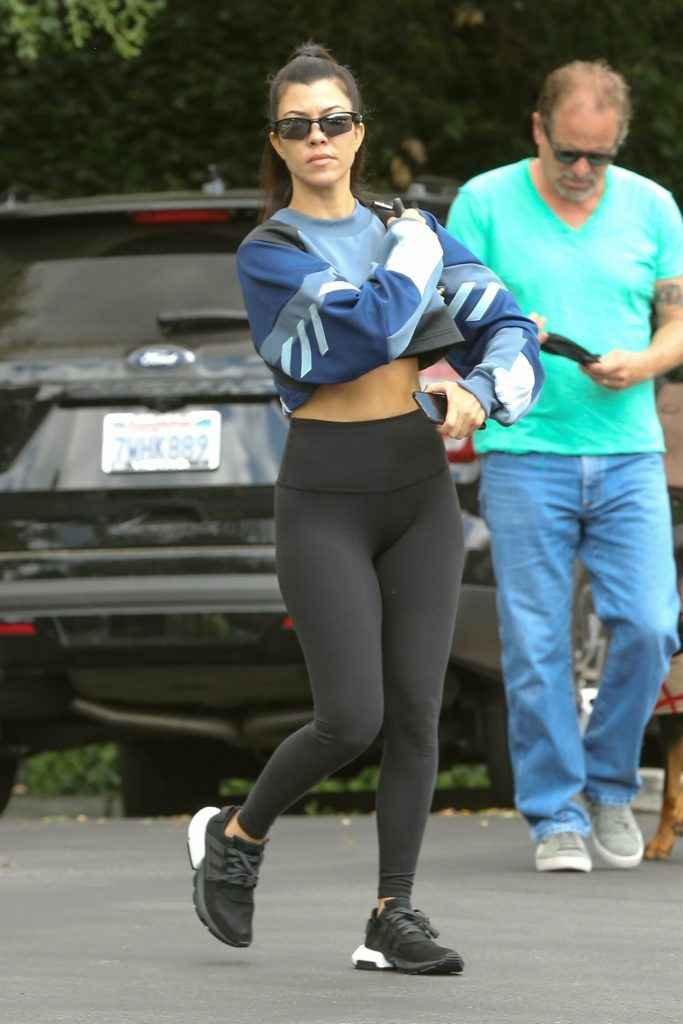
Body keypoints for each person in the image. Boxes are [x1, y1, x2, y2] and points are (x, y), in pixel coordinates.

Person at [186, 42, 542, 974]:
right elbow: (357, 335)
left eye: (335, 121)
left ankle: (394, 913)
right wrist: (418, 251)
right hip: (325, 495)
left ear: (358, 133)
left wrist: (480, 392)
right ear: (277, 141)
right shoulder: (270, 253)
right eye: (298, 125)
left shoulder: (405, 231)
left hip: (417, 490)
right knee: (351, 716)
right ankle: (236, 834)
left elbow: (508, 323)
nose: (319, 138)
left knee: (417, 712)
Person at [446, 59, 683, 873]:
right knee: (535, 640)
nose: (582, 170)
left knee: (650, 624)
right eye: (568, 152)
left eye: (600, 156)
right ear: (537, 130)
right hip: (523, 453)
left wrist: (643, 361)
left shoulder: (652, 206)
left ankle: (609, 785)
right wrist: (505, 330)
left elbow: (677, 322)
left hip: (626, 452)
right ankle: (554, 814)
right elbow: (447, 317)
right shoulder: (483, 201)